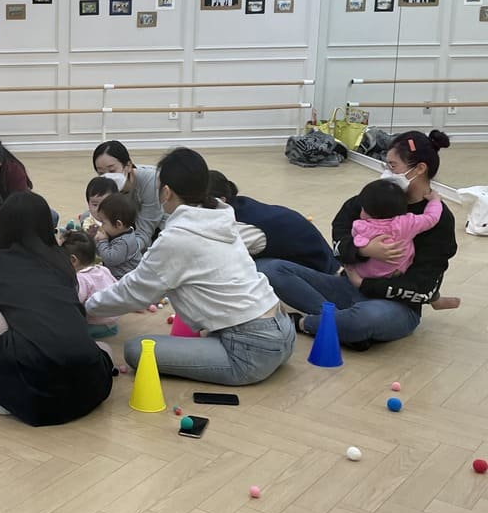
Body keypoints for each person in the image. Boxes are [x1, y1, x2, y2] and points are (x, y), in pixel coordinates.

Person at [86, 148, 295, 386]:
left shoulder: (178, 238)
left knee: (137, 349)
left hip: (249, 352)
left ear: (166, 192)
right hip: (283, 330)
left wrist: (86, 305)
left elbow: (135, 291)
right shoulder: (219, 218)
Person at [259, 130, 458, 350]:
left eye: (392, 166)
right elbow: (340, 231)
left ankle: (307, 323)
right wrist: (362, 251)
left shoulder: (438, 219)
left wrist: (365, 284)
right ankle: (339, 324)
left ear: (419, 169)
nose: (386, 172)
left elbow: (423, 285)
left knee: (366, 318)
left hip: (394, 305)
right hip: (348, 286)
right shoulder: (377, 195)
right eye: (385, 165)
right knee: (268, 269)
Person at [0, 191, 114, 425]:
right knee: (102, 348)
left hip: (34, 391)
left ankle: (1, 386)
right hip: (92, 387)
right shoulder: (62, 263)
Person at [351, 180, 459, 310]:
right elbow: (431, 218)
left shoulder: (359, 226)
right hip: (395, 274)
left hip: (364, 273)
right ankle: (434, 299)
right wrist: (435, 201)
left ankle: (434, 300)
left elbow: (353, 242)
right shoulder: (406, 223)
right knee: (424, 278)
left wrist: (363, 250)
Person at [207, 170, 340, 274]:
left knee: (249, 269)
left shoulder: (239, 225)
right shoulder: (239, 204)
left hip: (319, 267)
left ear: (222, 200)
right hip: (322, 257)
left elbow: (218, 257)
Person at [92, 140, 163, 248]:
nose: (107, 177)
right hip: (131, 226)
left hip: (159, 228)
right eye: (101, 173)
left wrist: (125, 251)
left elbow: (145, 231)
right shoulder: (107, 186)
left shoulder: (150, 181)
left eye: (112, 170)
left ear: (128, 166)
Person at [61, 230, 119, 338]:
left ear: (73, 260)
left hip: (94, 324)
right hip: (112, 323)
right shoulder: (103, 269)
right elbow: (118, 287)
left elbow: (74, 302)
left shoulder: (81, 278)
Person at [94, 193, 146, 279]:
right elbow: (100, 251)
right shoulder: (116, 233)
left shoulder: (125, 242)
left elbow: (110, 259)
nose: (102, 226)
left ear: (118, 224)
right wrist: (95, 239)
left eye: (103, 222)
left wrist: (102, 241)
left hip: (125, 279)